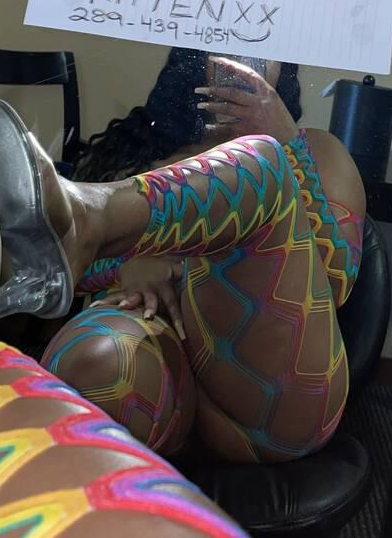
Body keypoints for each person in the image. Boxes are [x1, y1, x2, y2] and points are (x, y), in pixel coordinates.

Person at [0, 117, 249, 538]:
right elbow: (80, 276)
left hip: (245, 379)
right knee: (105, 355)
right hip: (149, 343)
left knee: (264, 159)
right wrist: (133, 264)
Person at [40, 51, 366, 464]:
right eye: (222, 41)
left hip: (262, 385)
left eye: (261, 45)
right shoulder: (143, 149)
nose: (241, 61)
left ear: (285, 66)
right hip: (158, 366)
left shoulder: (316, 153)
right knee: (98, 358)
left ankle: (96, 216)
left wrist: (289, 147)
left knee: (258, 165)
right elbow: (67, 271)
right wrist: (131, 265)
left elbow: (333, 285)